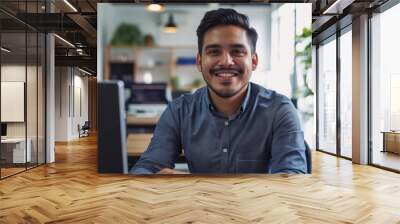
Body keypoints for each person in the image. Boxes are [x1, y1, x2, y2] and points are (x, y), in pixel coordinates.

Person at [131, 8, 307, 174]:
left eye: (237, 51)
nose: (226, 61)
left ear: (253, 61)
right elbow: (147, 168)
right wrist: (152, 178)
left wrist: (190, 184)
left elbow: (292, 180)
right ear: (199, 61)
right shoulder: (179, 111)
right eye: (214, 52)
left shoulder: (280, 110)